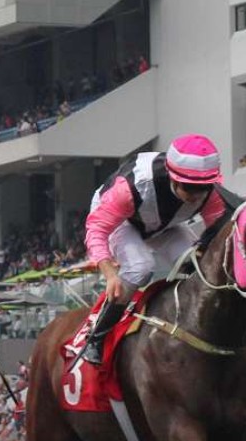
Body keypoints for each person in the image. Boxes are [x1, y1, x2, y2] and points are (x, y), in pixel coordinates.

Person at [82, 134, 228, 364]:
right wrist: (110, 274)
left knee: (196, 266)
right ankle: (96, 337)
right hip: (123, 221)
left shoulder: (209, 194)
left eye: (204, 188)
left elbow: (218, 232)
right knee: (141, 266)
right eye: (190, 188)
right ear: (173, 177)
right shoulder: (130, 188)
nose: (197, 196)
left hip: (164, 225)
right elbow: (96, 228)